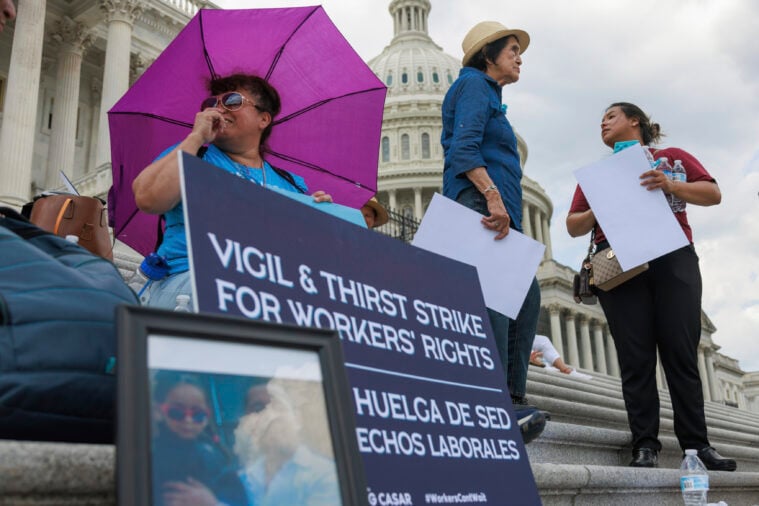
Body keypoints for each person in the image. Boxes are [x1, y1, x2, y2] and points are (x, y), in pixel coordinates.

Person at [566, 102, 736, 471]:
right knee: (635, 358)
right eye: (600, 120)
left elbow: (713, 194)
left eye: (611, 116)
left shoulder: (671, 157)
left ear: (635, 121)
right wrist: (598, 206)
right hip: (619, 264)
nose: (603, 123)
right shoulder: (597, 176)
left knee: (681, 353)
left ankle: (698, 446)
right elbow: (573, 225)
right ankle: (645, 444)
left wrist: (670, 183)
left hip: (672, 257)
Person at [132, 73, 332, 309]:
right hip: (189, 281)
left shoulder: (293, 184)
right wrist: (196, 137)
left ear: (263, 119)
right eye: (212, 104)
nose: (218, 109)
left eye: (232, 101)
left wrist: (322, 219)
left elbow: (309, 258)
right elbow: (148, 198)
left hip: (268, 290)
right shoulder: (191, 155)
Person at [441, 20, 544, 442]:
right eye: (513, 49)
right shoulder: (474, 87)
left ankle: (512, 396)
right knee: (496, 304)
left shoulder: (492, 96)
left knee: (526, 298)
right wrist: (493, 198)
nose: (520, 58)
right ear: (489, 55)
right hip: (480, 205)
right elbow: (463, 149)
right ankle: (495, 400)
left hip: (501, 210)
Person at [234, 381, 340, 506]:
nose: (271, 415)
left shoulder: (325, 473)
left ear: (296, 418)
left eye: (278, 406)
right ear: (247, 421)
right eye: (259, 408)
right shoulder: (244, 477)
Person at [151, 373, 247, 506]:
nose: (188, 420)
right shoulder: (149, 456)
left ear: (208, 415)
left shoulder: (216, 458)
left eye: (198, 414)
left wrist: (212, 503)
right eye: (177, 412)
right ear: (158, 410)